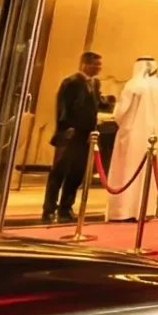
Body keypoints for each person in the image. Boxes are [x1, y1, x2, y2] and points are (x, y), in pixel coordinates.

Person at [107, 57, 158, 221]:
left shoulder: (134, 86)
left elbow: (120, 112)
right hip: (157, 135)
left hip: (133, 134)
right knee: (149, 174)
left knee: (128, 172)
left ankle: (124, 211)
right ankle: (146, 209)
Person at [42, 52, 103, 225]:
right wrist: (65, 127)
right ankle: (48, 209)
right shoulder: (71, 82)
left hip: (86, 136)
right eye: (95, 64)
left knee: (77, 173)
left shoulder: (95, 83)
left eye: (99, 65)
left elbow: (96, 104)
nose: (98, 68)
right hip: (70, 134)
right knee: (59, 172)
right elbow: (63, 107)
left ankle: (66, 207)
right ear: (84, 64)